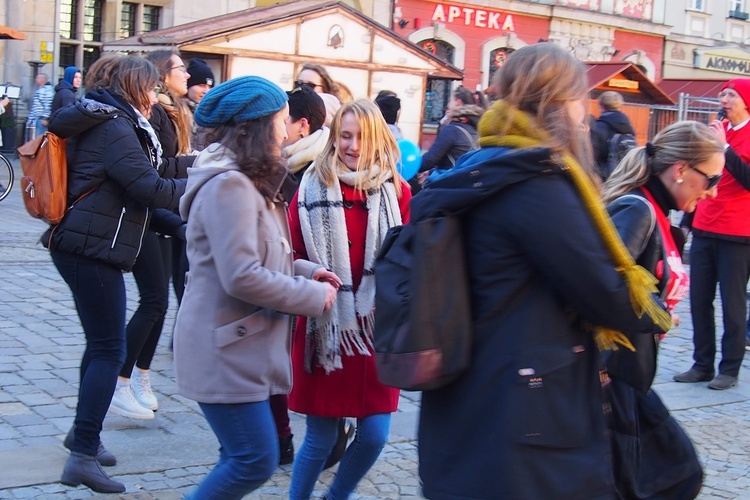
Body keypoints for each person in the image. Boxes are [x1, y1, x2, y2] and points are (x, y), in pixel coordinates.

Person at [416, 43, 671, 499]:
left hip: (472, 395)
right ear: (559, 103)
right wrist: (655, 306)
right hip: (526, 417)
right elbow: (604, 291)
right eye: (580, 99)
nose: (585, 114)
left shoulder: (485, 163)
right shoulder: (538, 182)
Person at [173, 75, 340, 499]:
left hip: (236, 344)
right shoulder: (230, 184)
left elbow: (261, 254)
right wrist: (312, 298)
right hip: (225, 347)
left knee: (244, 456)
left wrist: (304, 271)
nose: (286, 131)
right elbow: (242, 275)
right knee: (253, 458)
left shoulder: (245, 179)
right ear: (257, 126)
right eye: (282, 120)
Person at [47, 55, 186, 494]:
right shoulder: (115, 127)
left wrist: (199, 168)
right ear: (135, 86)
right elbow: (151, 189)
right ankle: (83, 454)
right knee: (110, 348)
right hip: (90, 249)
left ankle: (81, 436)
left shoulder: (115, 123)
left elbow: (151, 180)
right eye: (152, 88)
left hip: (89, 245)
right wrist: (206, 187)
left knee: (101, 345)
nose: (156, 97)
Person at [287, 99, 412, 499]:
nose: (352, 145)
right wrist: (312, 278)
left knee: (374, 435)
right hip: (326, 329)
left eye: (361, 137)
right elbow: (289, 252)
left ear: (377, 139)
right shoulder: (309, 186)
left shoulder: (398, 190)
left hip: (376, 329)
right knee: (320, 438)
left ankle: (336, 495)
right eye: (345, 135)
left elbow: (409, 257)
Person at [603, 121, 723, 498]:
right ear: (681, 169)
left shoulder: (659, 216)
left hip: (630, 378)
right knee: (670, 476)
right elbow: (603, 288)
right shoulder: (637, 210)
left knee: (672, 475)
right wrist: (659, 314)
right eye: (711, 178)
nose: (714, 192)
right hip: (611, 378)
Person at [108, 50, 193, 420]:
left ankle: (139, 376)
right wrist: (186, 195)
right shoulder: (149, 115)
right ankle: (121, 379)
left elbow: (167, 165)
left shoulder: (170, 110)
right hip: (148, 216)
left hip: (162, 215)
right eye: (180, 69)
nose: (187, 75)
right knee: (154, 300)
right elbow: (151, 176)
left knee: (158, 303)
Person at [674, 78, 750, 390]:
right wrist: (687, 221)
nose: (724, 100)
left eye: (731, 95)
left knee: (732, 304)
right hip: (705, 225)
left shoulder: (737, 137)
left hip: (738, 230)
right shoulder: (714, 132)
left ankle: (729, 369)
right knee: (699, 300)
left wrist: (726, 148)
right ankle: (701, 363)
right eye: (722, 95)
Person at [592, 90, 636, 179]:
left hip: (603, 178)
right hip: (623, 177)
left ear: (601, 107)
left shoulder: (598, 127)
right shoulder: (628, 128)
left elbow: (591, 155)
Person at [185, 58, 215, 151]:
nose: (206, 91)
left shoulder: (214, 113)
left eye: (210, 86)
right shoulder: (174, 110)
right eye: (201, 85)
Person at [26, 73, 55, 139]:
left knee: (40, 142)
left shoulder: (47, 91)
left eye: (37, 78)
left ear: (42, 80)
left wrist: (46, 119)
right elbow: (35, 107)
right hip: (37, 120)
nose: (36, 80)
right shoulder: (41, 90)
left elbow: (48, 105)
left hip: (41, 120)